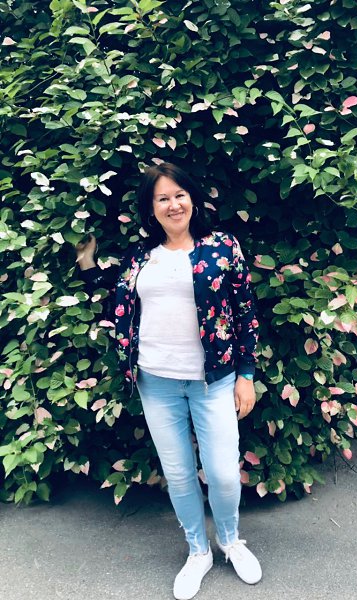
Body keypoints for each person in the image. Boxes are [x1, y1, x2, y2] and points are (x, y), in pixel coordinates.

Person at [76, 162, 262, 600]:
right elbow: (114, 299)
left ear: (191, 198)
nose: (173, 204)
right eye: (163, 198)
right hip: (156, 382)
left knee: (223, 475)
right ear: (151, 208)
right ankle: (198, 551)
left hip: (213, 381)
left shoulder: (222, 247)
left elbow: (245, 313)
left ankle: (230, 541)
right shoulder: (140, 257)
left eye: (179, 194)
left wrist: (246, 375)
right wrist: (86, 263)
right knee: (178, 476)